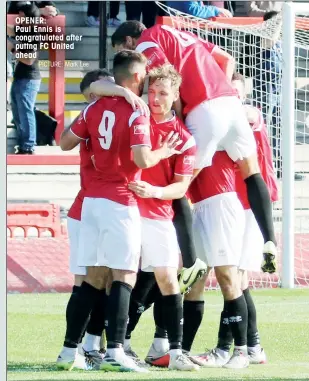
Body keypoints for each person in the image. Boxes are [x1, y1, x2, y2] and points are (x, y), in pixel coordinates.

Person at [111, 21, 278, 274]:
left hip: (204, 111)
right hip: (230, 103)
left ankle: (190, 263)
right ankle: (270, 240)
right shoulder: (183, 34)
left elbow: (165, 81)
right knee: (251, 171)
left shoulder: (147, 41)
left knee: (179, 185)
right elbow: (226, 59)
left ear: (129, 42)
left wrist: (176, 122)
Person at [57, 50, 181, 373]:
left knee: (91, 279)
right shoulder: (135, 111)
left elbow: (65, 141)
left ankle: (70, 351)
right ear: (138, 78)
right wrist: (162, 152)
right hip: (120, 200)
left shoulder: (95, 106)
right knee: (124, 275)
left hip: (90, 204)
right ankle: (115, 351)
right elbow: (141, 159)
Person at [189, 73, 279, 368]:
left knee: (235, 279)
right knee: (238, 281)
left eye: (236, 93)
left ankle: (229, 348)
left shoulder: (246, 115)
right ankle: (252, 346)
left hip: (247, 205)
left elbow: (248, 113)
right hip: (237, 201)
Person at [63, 69, 114, 370]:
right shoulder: (93, 117)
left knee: (107, 280)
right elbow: (64, 141)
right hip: (87, 210)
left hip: (102, 207)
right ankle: (80, 346)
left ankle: (91, 344)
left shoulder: (114, 114)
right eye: (89, 98)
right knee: (87, 281)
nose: (94, 101)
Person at [7, 2, 42, 154]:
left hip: (29, 78)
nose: (19, 19)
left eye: (22, 16)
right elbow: (9, 29)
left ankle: (28, 145)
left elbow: (29, 59)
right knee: (17, 111)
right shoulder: (23, 31)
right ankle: (23, 144)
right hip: (20, 77)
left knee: (25, 111)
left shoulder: (34, 34)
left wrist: (13, 49)